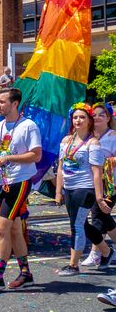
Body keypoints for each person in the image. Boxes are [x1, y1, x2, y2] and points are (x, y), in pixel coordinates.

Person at [0, 88, 42, 291]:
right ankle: (25, 273)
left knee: (1, 228)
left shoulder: (28, 126)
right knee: (13, 228)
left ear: (15, 104)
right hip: (2, 181)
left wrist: (8, 158)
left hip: (19, 181)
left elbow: (36, 155)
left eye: (3, 102)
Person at [54, 105, 100, 276]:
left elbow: (97, 171)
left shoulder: (92, 142)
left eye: (82, 117)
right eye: (75, 117)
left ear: (89, 121)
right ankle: (107, 253)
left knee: (77, 225)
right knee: (79, 223)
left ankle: (73, 265)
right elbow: (60, 168)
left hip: (85, 188)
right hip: (69, 188)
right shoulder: (66, 141)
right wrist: (58, 192)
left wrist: (99, 196)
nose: (78, 120)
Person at [85, 103, 116, 272]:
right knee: (102, 215)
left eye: (101, 115)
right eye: (94, 115)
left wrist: (103, 162)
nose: (96, 117)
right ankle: (102, 250)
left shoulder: (113, 136)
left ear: (108, 118)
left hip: (111, 184)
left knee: (99, 214)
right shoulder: (89, 137)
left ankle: (96, 252)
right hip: (92, 182)